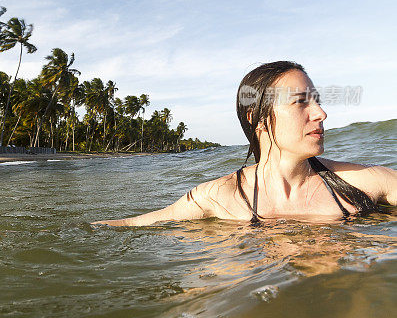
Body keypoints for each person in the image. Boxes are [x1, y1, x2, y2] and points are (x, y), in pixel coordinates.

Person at [95, 61, 397, 226]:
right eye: (300, 102)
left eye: (316, 101)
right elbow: (133, 224)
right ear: (259, 118)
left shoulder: (362, 182)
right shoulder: (220, 197)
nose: (320, 113)